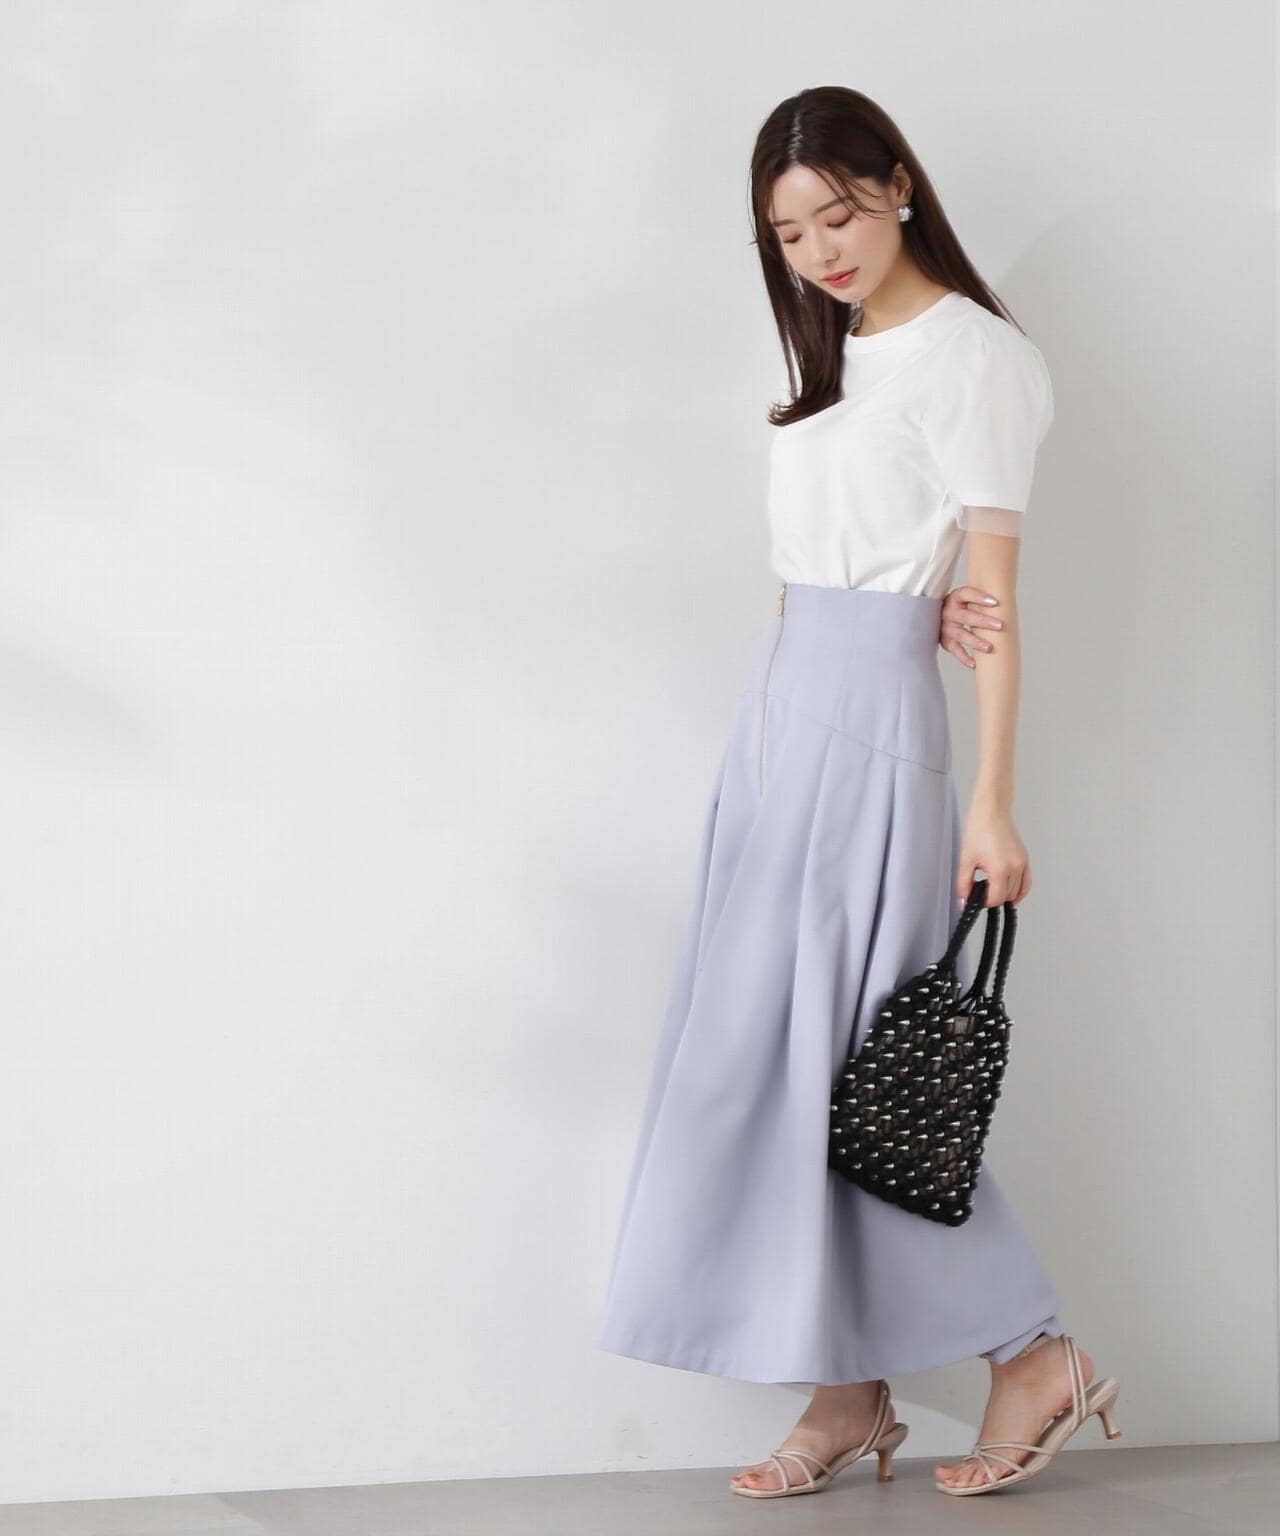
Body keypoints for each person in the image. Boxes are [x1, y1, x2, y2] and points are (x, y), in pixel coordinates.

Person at [597, 85, 1120, 1499]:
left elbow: (993, 604)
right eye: (789, 234)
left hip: (875, 733)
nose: (820, 251)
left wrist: (991, 803)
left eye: (837, 214)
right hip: (781, 722)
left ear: (897, 186)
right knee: (761, 1062)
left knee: (842, 1069)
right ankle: (846, 1394)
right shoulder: (837, 356)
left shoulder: (977, 358)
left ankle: (1032, 1352)